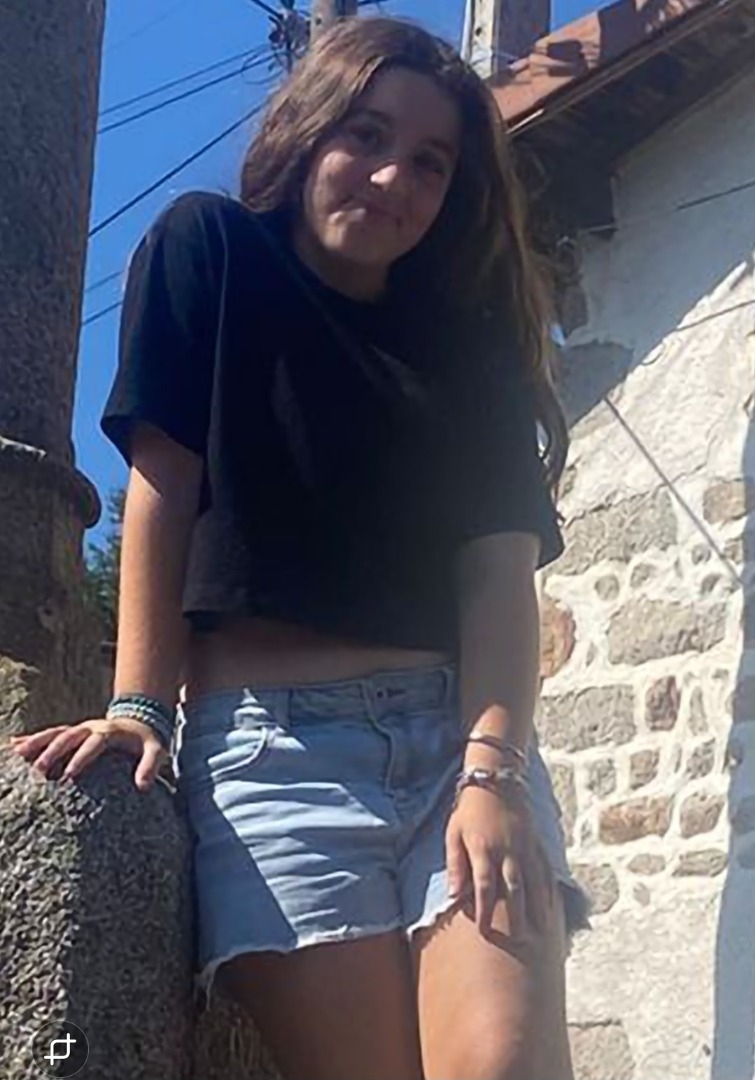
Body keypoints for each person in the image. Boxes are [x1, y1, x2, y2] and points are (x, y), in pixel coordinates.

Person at [10, 16, 590, 1080]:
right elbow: (163, 489)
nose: (391, 177)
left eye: (429, 161)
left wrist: (495, 773)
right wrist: (140, 706)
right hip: (270, 760)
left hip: (453, 749)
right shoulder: (209, 248)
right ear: (307, 131)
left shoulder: (469, 342)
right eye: (365, 136)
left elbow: (498, 578)